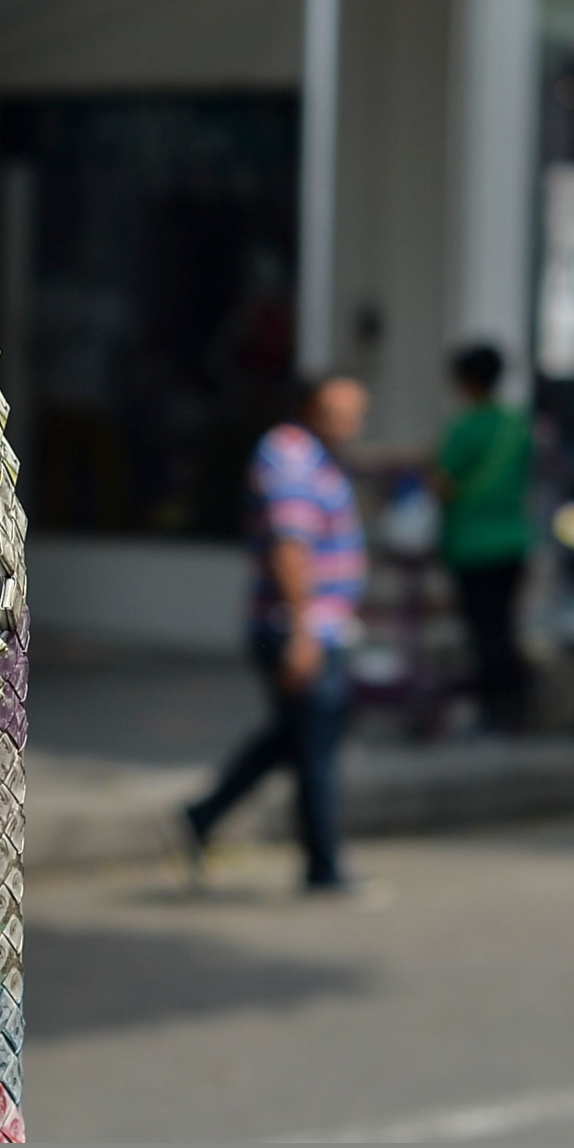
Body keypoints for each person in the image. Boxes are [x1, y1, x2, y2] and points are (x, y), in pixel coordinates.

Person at [178, 374, 371, 892]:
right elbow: (290, 547)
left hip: (320, 629)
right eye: (340, 410)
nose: (352, 422)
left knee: (298, 737)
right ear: (310, 408)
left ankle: (204, 814)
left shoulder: (317, 456)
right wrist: (304, 632)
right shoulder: (290, 457)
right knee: (315, 748)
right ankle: (323, 866)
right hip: (298, 629)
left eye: (357, 411)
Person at [432, 343, 533, 734]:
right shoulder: (517, 424)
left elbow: (441, 483)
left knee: (483, 631)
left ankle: (497, 710)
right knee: (504, 626)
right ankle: (514, 706)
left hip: (472, 544)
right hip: (513, 540)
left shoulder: (465, 427)